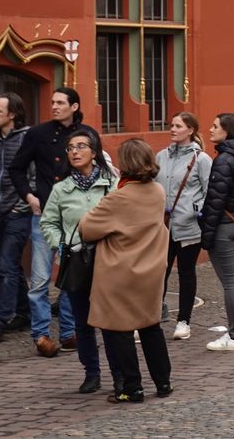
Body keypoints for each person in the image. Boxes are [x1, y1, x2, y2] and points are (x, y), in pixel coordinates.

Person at [78, 139, 172, 403]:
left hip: (119, 273)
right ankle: (163, 382)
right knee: (150, 326)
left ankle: (132, 387)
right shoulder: (157, 191)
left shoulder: (118, 198)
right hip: (150, 270)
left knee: (118, 329)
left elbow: (88, 228)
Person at [9, 87, 99, 357]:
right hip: (44, 216)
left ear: (74, 106)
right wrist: (28, 195)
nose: (54, 106)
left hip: (75, 219)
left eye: (60, 102)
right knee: (38, 280)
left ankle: (70, 332)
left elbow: (99, 168)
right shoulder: (37, 134)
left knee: (73, 277)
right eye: (52, 102)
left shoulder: (86, 135)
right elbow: (16, 168)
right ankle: (41, 335)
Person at [40, 130, 115, 394]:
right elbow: (48, 222)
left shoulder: (110, 183)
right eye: (71, 147)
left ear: (94, 152)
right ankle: (91, 373)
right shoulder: (61, 189)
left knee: (110, 320)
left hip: (108, 260)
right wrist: (61, 244)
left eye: (81, 146)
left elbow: (122, 216)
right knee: (83, 322)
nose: (74, 151)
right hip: (75, 261)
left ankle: (119, 373)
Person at [200, 113, 234, 351]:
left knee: (231, 282)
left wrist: (206, 235)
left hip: (224, 226)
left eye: (215, 126)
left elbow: (215, 201)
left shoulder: (224, 160)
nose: (210, 130)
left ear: (227, 130)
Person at [155, 112, 213, 340]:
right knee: (160, 272)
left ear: (190, 130)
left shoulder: (202, 159)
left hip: (189, 227)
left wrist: (196, 211)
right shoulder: (160, 157)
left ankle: (184, 321)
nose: (173, 129)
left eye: (178, 126)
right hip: (163, 226)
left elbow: (209, 192)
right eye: (171, 125)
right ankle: (153, 316)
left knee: (186, 273)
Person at [0, 92, 31, 341]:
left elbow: (35, 175)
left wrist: (22, 204)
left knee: (6, 265)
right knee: (12, 266)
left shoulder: (27, 139)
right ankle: (25, 312)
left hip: (17, 212)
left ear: (12, 115)